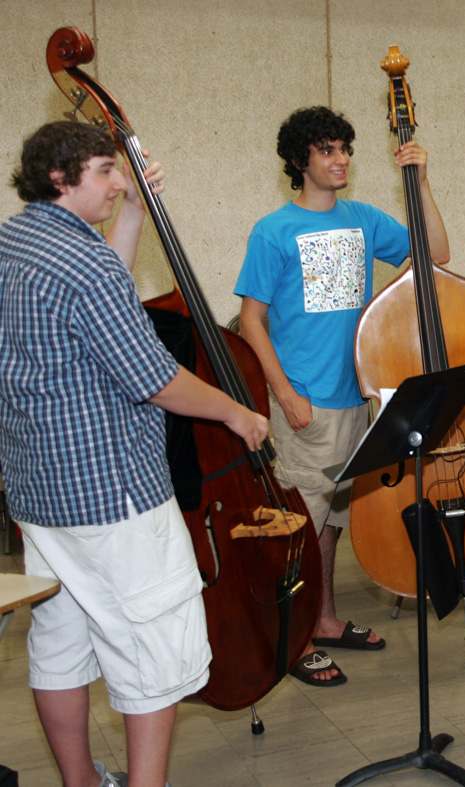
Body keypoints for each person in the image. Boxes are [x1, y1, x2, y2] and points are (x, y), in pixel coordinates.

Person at [0, 121, 268, 787]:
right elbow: (154, 378)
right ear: (61, 178)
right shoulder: (82, 262)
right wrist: (236, 410)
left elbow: (101, 299)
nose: (120, 181)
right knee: (153, 650)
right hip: (114, 494)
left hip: (39, 492)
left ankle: (80, 782)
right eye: (103, 171)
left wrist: (136, 214)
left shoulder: (15, 239)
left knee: (61, 639)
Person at [235, 106, 449, 685]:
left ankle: (324, 619)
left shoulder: (361, 219)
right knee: (299, 527)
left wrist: (422, 183)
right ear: (300, 159)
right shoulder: (273, 230)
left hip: (357, 397)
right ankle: (296, 636)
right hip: (304, 401)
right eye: (328, 150)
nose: (341, 160)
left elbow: (435, 254)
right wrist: (284, 393)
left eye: (345, 150)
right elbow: (250, 321)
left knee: (328, 523)